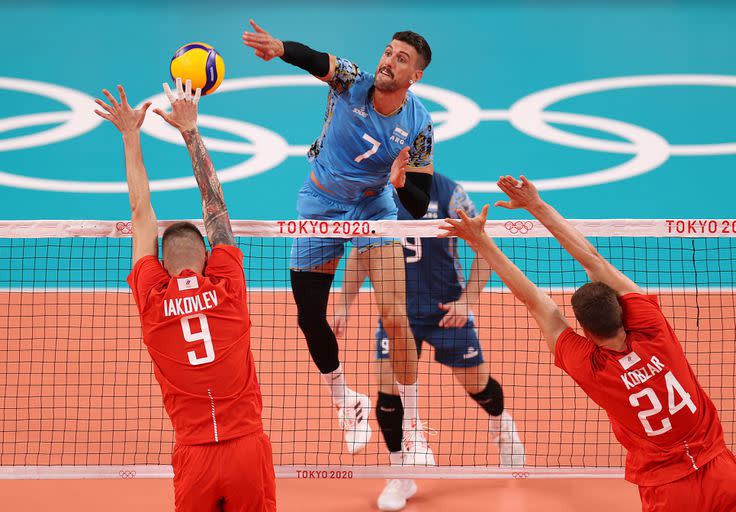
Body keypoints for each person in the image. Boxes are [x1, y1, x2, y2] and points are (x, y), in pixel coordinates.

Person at [440, 175, 736, 512]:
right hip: (722, 472)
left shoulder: (590, 366)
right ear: (623, 313)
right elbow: (593, 260)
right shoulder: (654, 330)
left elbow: (535, 301)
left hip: (668, 491)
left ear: (583, 329)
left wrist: (480, 242)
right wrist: (537, 206)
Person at [243, 20, 435, 459]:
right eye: (388, 52)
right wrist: (280, 48)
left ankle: (413, 426)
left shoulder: (419, 125)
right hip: (321, 203)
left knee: (395, 316)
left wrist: (401, 183)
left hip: (373, 206)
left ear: (415, 76)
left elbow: (420, 205)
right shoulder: (352, 81)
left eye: (401, 59)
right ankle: (347, 402)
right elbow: (315, 59)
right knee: (310, 317)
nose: (389, 61)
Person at [95, 80, 276, 512]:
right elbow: (215, 205)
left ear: (162, 264)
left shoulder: (152, 299)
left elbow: (141, 213)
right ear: (209, 256)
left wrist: (130, 134)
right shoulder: (229, 287)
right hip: (247, 450)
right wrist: (190, 131)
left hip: (194, 454)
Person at [334, 172, 525, 511]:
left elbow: (483, 247)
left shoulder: (450, 194)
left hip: (445, 309)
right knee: (387, 391)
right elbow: (359, 255)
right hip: (397, 312)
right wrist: (344, 305)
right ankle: (400, 472)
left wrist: (467, 300)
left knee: (478, 386)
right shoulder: (377, 197)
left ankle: (500, 423)